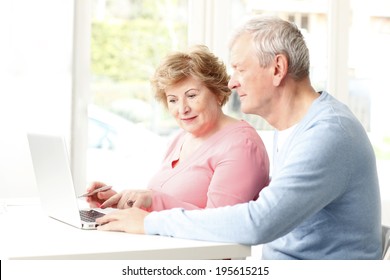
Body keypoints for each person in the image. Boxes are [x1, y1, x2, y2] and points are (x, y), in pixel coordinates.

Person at [96, 16, 382, 260]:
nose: (231, 82)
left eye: (240, 69)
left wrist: (150, 222)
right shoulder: (298, 128)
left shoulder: (328, 133)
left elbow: (259, 222)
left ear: (277, 68)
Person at [86, 45, 270, 212]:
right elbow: (164, 207)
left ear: (218, 93)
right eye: (172, 99)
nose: (182, 109)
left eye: (191, 95)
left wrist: (153, 201)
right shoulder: (181, 138)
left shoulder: (241, 145)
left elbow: (220, 223)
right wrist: (119, 202)